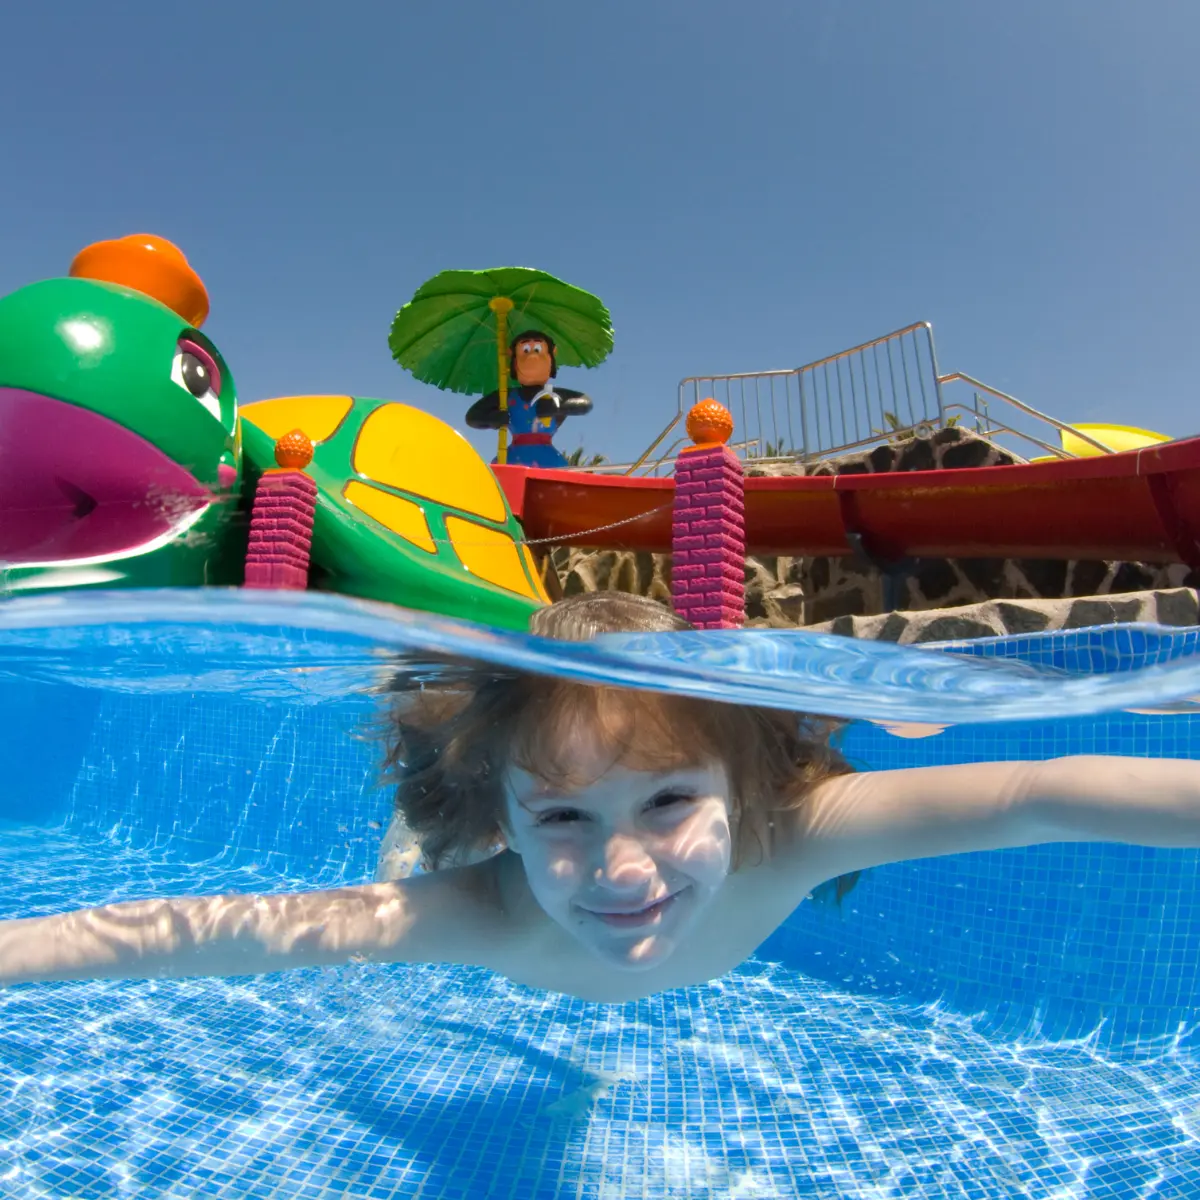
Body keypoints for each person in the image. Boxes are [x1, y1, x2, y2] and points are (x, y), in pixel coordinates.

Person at [2, 592, 1199, 1003]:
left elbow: (1041, 791)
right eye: (565, 816)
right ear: (515, 819)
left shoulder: (791, 834)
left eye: (670, 803)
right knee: (395, 889)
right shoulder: (491, 913)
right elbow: (232, 935)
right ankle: (426, 835)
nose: (626, 875)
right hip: (467, 864)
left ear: (742, 779)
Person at [465, 331, 593, 468]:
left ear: (552, 354)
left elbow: (585, 403)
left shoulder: (554, 395)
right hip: (513, 459)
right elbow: (472, 417)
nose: (532, 356)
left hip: (548, 459)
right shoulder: (506, 396)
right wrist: (493, 419)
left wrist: (558, 407)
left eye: (538, 349)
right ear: (513, 359)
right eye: (525, 350)